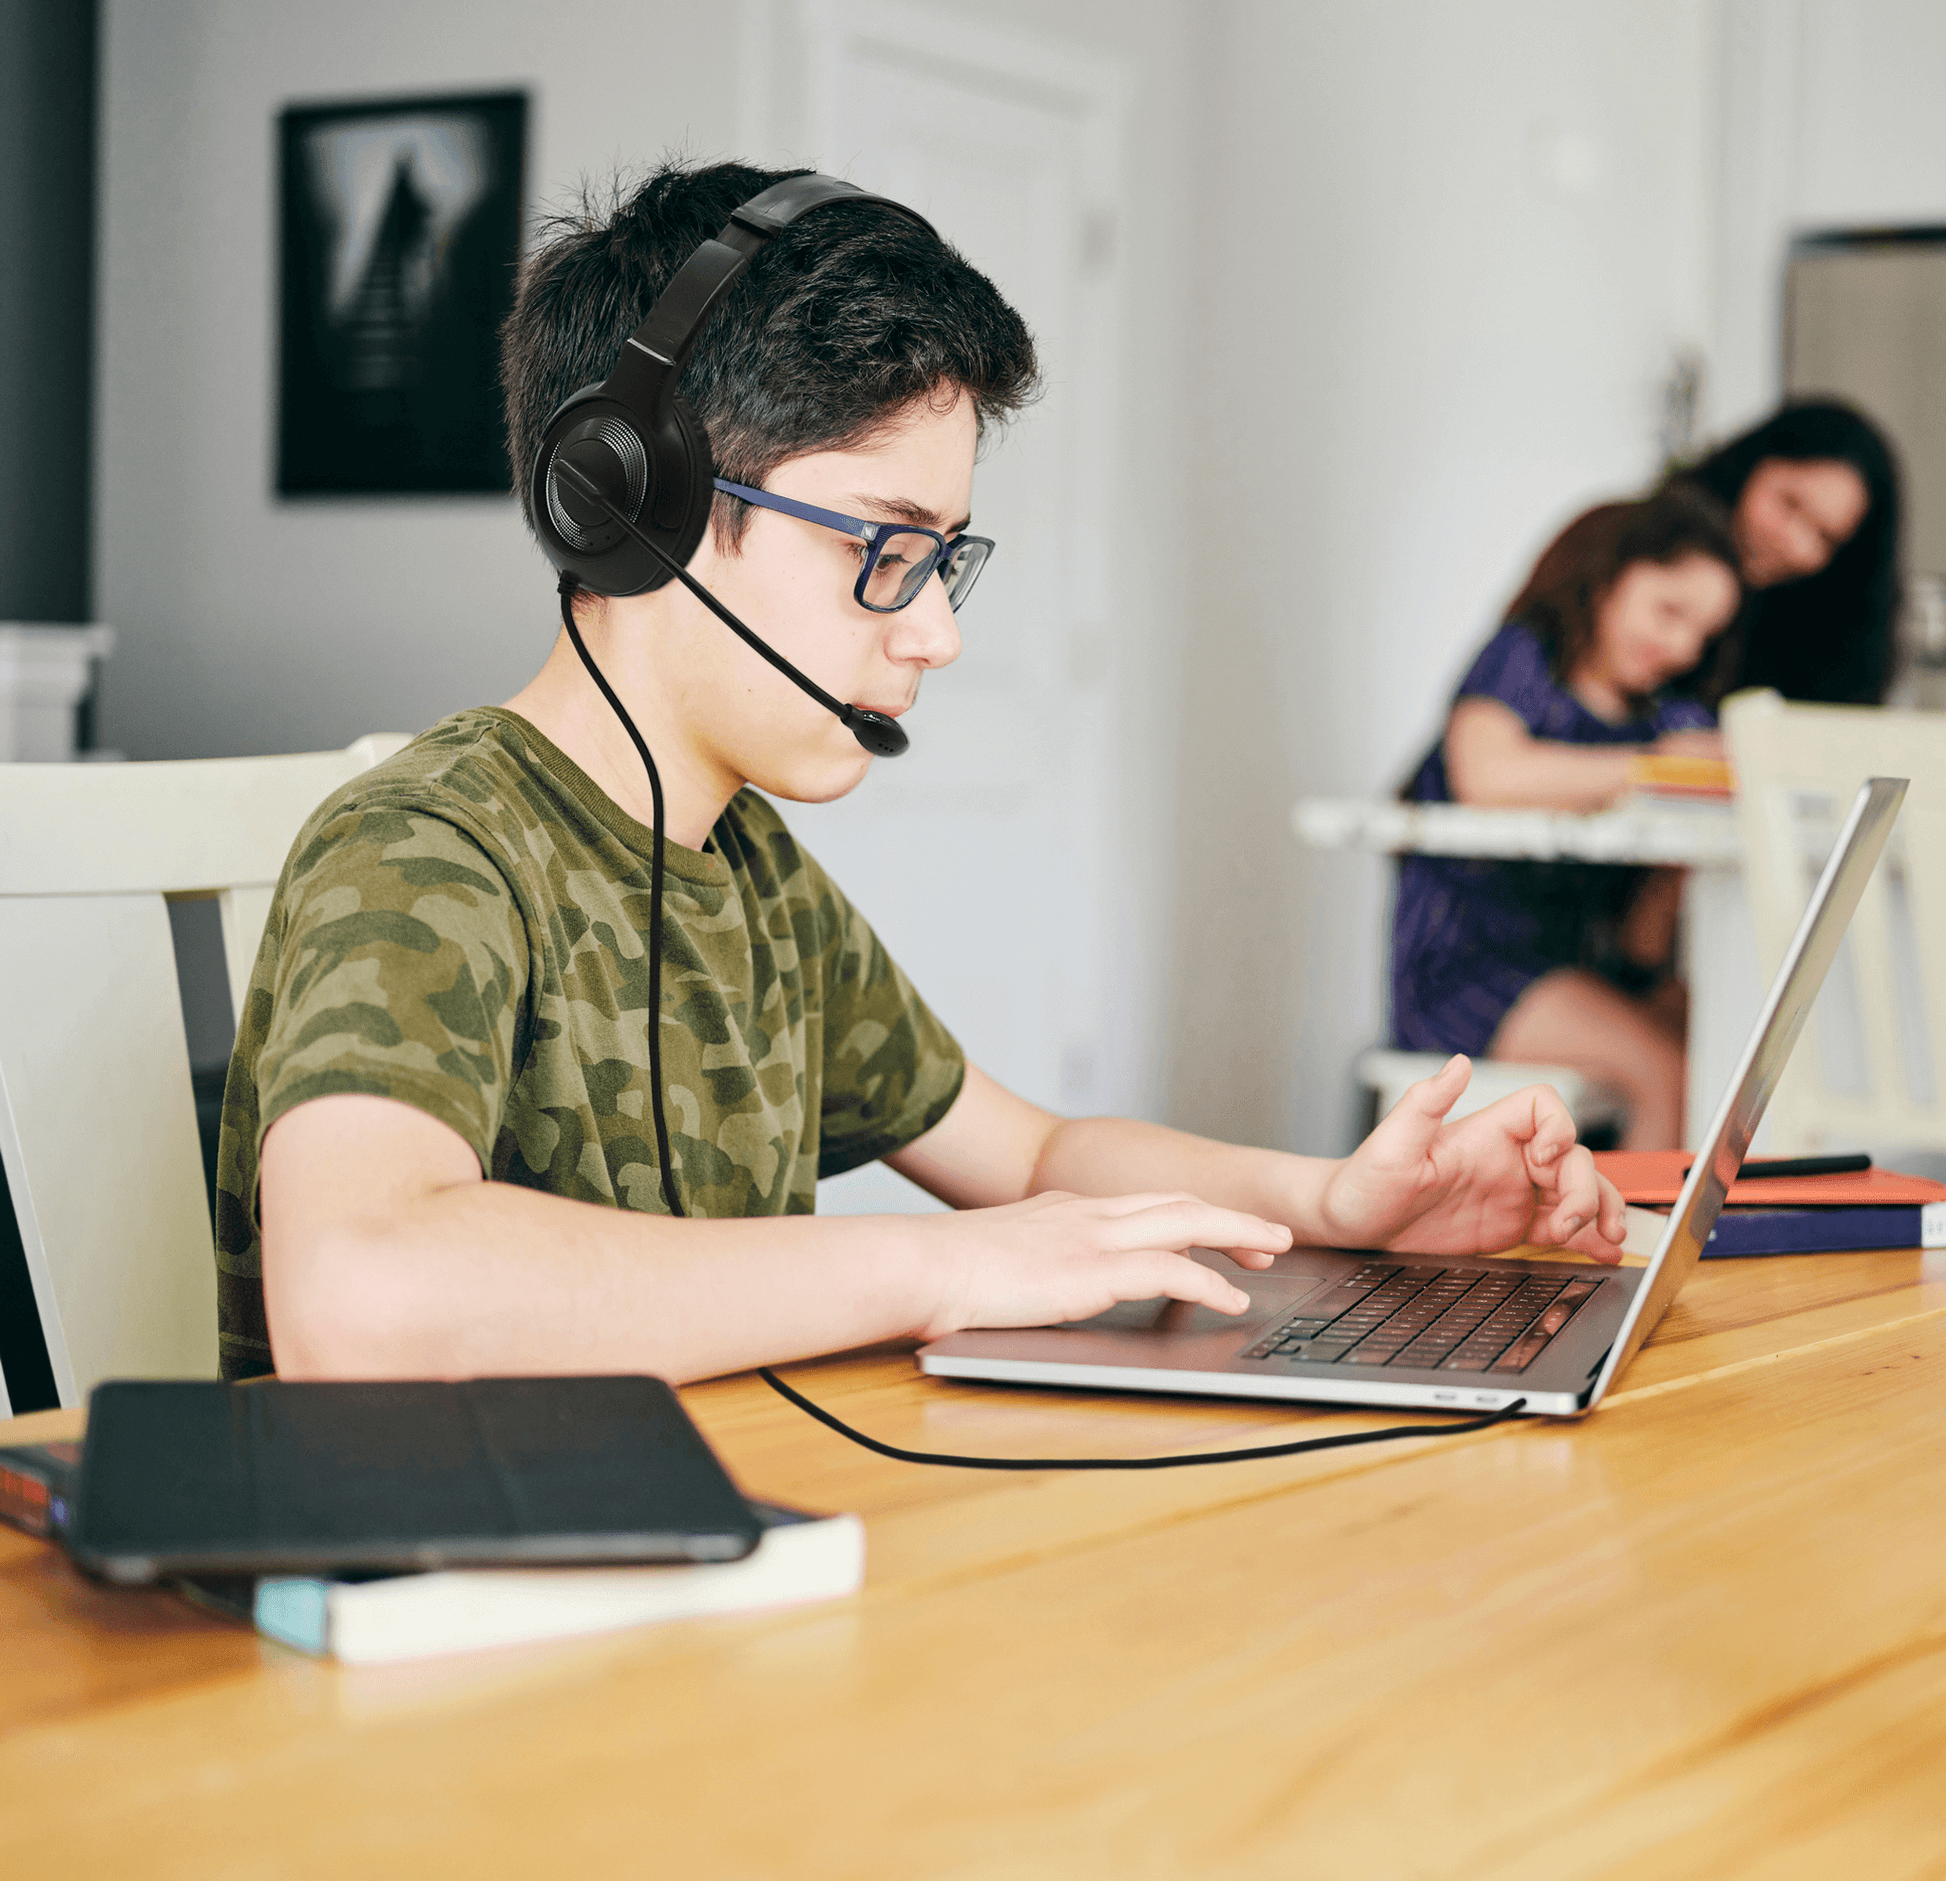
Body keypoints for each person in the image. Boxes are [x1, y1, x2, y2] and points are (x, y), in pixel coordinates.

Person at [215, 161, 1625, 1388]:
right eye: (880, 549)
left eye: (943, 560)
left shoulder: (753, 880)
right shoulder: (426, 851)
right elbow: (363, 1297)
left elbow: (1030, 1159)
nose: (937, 633)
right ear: (632, 500)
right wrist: (937, 1270)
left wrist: (1331, 1198)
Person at [1390, 488, 1744, 1150]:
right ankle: (1638, 1252)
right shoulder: (1526, 662)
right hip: (1470, 968)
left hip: (1590, 968)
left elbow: (1643, 946)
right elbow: (1486, 776)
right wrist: (1658, 767)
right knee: (1666, 1071)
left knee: (1740, 1052)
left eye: (1704, 635)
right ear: (1607, 578)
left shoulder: (1670, 717)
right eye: (1668, 611)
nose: (1681, 647)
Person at [1675, 396, 1901, 704]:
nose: (1793, 542)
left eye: (1825, 537)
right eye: (1790, 503)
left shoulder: (1826, 639)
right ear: (1752, 464)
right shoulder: (1652, 547)